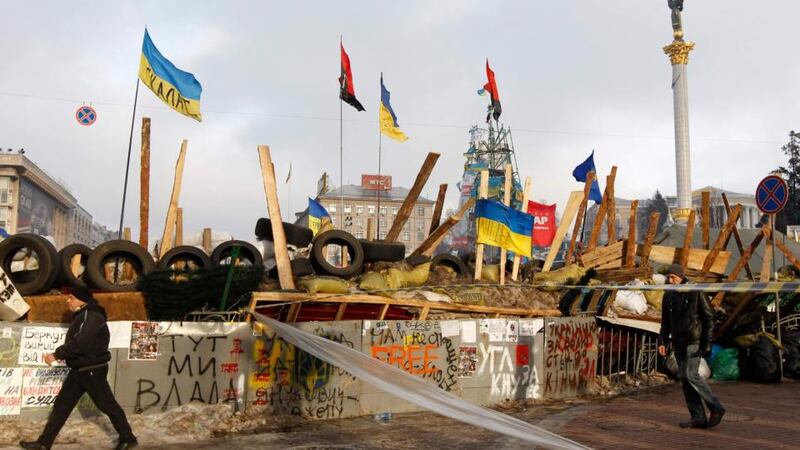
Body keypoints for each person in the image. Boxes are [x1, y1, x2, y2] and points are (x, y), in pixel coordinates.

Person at [20, 286, 138, 450]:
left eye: (71, 298)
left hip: (91, 369)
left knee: (107, 404)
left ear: (81, 300)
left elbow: (81, 343)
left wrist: (57, 355)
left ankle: (128, 439)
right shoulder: (84, 315)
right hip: (80, 369)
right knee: (62, 406)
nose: (68, 301)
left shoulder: (92, 316)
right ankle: (43, 443)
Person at [658, 264, 725, 429]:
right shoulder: (669, 296)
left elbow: (709, 317)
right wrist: (662, 341)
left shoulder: (696, 291)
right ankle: (698, 417)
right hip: (678, 341)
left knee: (690, 375)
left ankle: (715, 407)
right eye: (669, 277)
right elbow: (666, 322)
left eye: (673, 277)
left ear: (681, 277)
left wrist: (707, 343)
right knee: (685, 379)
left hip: (693, 340)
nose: (670, 280)